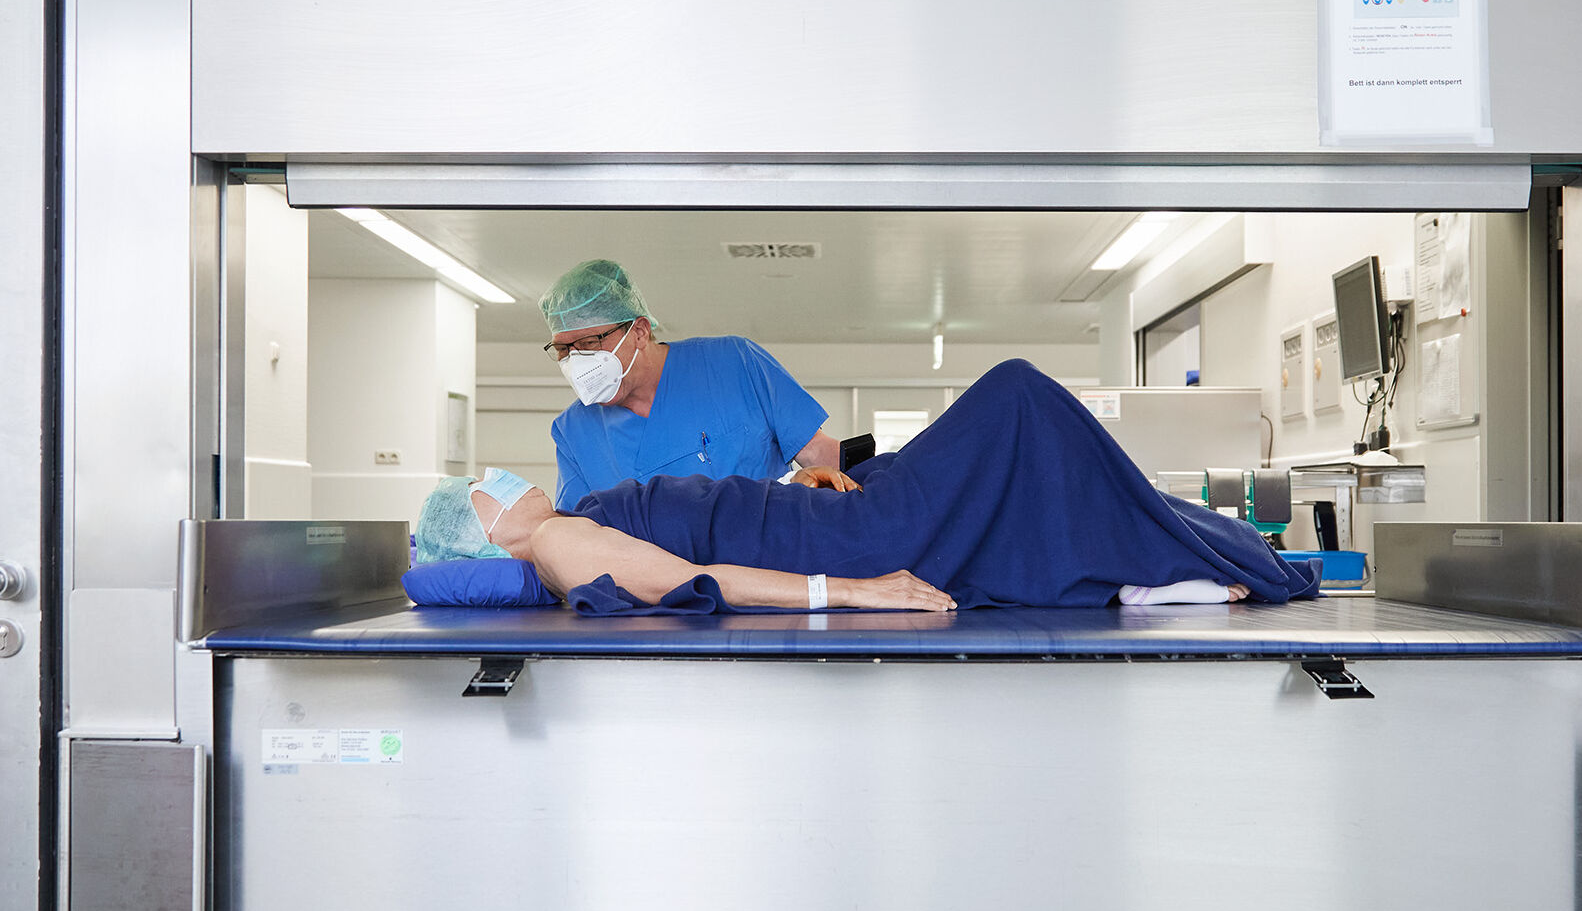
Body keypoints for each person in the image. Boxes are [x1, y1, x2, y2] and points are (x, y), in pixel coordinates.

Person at [418, 360, 1316, 613]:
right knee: (1017, 399)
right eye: (483, 487)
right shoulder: (552, 541)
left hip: (820, 516)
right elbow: (698, 582)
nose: (499, 478)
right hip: (837, 545)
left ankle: (1137, 570)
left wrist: (810, 484)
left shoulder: (566, 522)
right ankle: (1188, 555)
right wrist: (850, 591)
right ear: (485, 531)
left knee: (966, 459)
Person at [539, 259, 842, 513]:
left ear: (640, 332)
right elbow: (576, 532)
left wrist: (872, 481)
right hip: (654, 570)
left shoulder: (734, 363)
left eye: (589, 343)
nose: (577, 361)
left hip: (770, 557)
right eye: (563, 350)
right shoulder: (573, 432)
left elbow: (820, 455)